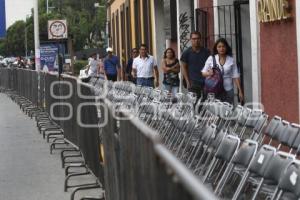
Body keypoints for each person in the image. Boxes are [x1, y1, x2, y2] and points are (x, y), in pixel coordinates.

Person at [202, 38, 244, 104]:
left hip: (228, 89)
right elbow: (203, 73)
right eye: (219, 47)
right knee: (216, 111)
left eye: (223, 46)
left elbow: (235, 76)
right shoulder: (211, 58)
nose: (221, 48)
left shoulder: (231, 60)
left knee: (228, 111)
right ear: (216, 48)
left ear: (226, 48)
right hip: (215, 90)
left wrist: (240, 91)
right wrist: (209, 73)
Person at [181, 31, 210, 100]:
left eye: (197, 38)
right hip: (193, 82)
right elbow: (183, 67)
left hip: (205, 82)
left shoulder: (206, 51)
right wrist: (187, 81)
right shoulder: (186, 53)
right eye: (194, 39)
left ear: (200, 39)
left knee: (204, 104)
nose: (196, 40)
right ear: (190, 39)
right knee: (194, 103)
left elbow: (210, 66)